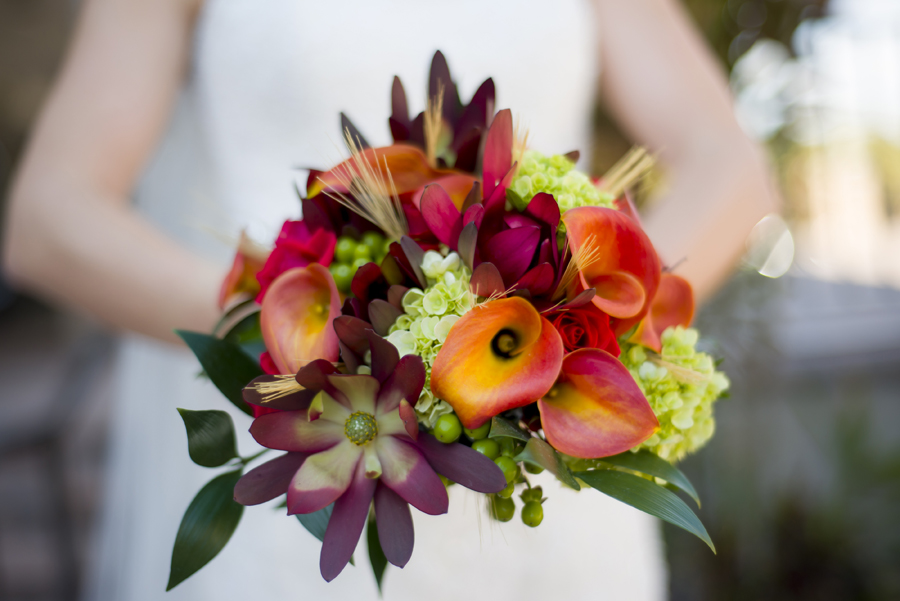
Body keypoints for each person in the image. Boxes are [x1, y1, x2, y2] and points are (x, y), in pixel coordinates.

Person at [2, 0, 777, 599]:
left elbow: (729, 168)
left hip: (547, 472)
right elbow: (50, 217)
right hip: (313, 462)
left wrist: (593, 322)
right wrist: (307, 346)